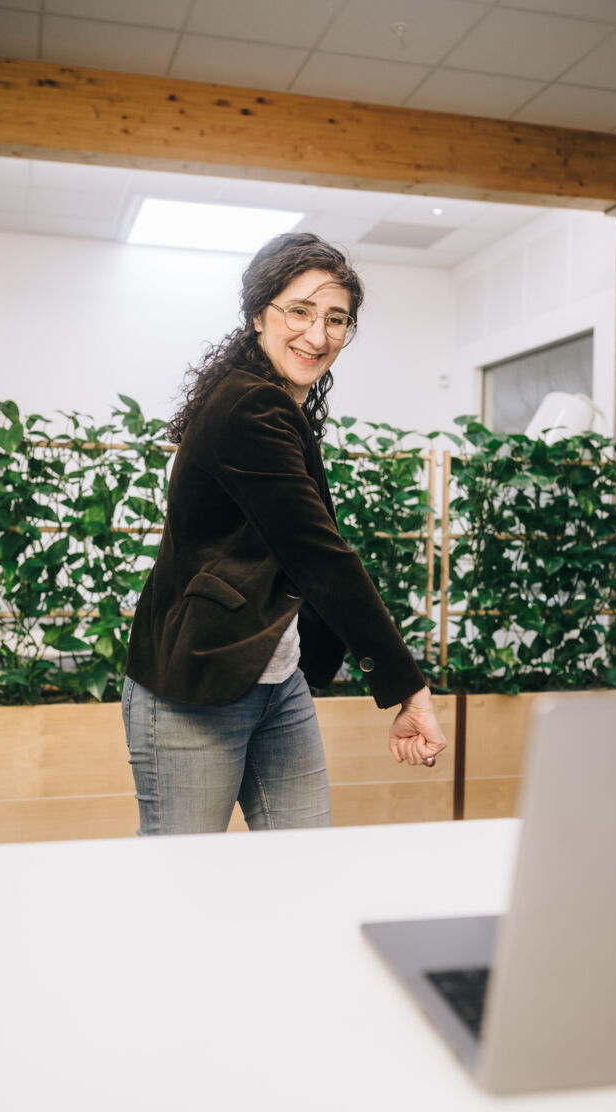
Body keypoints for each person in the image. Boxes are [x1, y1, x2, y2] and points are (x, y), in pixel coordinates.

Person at [122, 231, 447, 835]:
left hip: (276, 679)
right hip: (197, 686)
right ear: (257, 315)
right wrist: (410, 689)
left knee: (302, 870)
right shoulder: (250, 407)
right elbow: (320, 555)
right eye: (299, 311)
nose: (318, 336)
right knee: (178, 883)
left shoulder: (278, 404)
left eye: (337, 319)